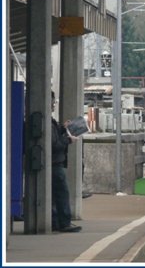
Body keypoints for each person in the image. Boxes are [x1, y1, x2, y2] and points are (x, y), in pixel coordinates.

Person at [51, 91, 81, 233]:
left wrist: (63, 128)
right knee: (62, 193)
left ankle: (56, 221)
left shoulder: (50, 122)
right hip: (54, 164)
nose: (53, 105)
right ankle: (64, 222)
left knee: (55, 195)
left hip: (54, 163)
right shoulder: (47, 122)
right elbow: (54, 143)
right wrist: (68, 140)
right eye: (52, 102)